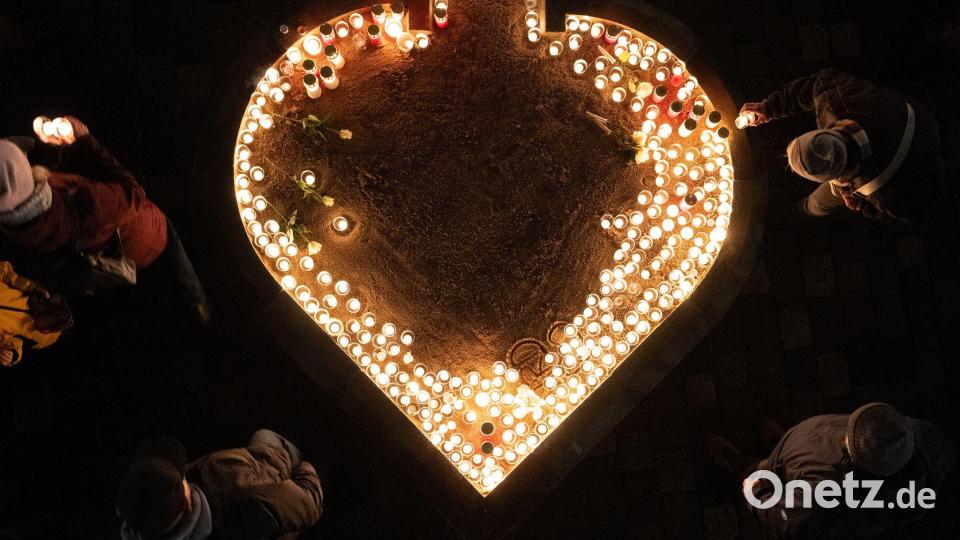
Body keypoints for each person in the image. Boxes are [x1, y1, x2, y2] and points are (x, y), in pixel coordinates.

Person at [0, 118, 208, 321]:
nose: (26, 155)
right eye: (22, 158)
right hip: (149, 234)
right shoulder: (91, 206)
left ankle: (190, 302)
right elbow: (135, 192)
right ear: (28, 175)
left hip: (112, 259)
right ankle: (195, 299)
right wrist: (86, 142)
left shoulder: (14, 241)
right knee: (169, 231)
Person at [708, 403, 955, 539]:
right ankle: (779, 451)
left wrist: (758, 495)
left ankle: (743, 464)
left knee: (759, 477)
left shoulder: (823, 502)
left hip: (803, 493)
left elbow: (787, 521)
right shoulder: (921, 439)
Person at [740, 69, 945, 224]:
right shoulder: (839, 100)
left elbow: (915, 210)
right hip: (910, 115)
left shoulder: (883, 192)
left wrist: (861, 205)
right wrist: (768, 108)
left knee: (820, 202)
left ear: (833, 179)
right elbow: (816, 84)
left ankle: (796, 212)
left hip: (923, 142)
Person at [117, 430, 323, 540]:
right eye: (181, 479)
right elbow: (308, 500)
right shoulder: (246, 509)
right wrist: (305, 467)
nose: (183, 471)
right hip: (280, 481)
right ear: (187, 504)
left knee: (263, 437)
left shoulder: (144, 520)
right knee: (274, 439)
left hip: (259, 470)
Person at [0, 260, 67, 366]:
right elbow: (6, 272)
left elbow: (14, 345)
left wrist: (12, 355)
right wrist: (33, 288)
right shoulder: (31, 295)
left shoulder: (18, 333)